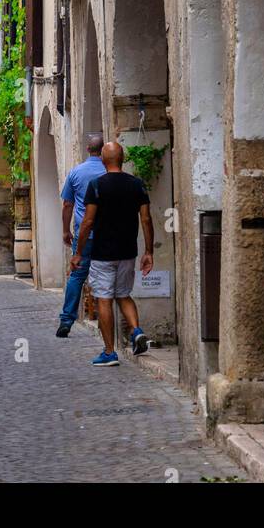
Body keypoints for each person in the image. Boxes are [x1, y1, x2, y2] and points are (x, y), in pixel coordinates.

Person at [71, 141, 154, 366]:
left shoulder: (96, 186)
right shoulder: (137, 184)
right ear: (122, 158)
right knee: (124, 294)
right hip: (128, 252)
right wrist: (148, 251)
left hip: (102, 253)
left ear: (103, 160)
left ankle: (109, 352)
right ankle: (136, 331)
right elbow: (146, 219)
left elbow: (87, 222)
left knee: (104, 299)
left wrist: (78, 253)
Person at [55, 133, 107, 337]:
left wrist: (65, 230)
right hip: (107, 234)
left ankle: (66, 320)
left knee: (77, 276)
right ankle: (108, 321)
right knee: (107, 276)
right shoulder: (108, 171)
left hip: (83, 235)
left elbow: (68, 204)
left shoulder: (76, 172)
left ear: (87, 149)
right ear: (103, 150)